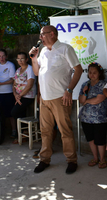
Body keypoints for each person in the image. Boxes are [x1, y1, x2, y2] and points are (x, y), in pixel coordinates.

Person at [29, 25, 82, 174]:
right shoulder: (43, 51)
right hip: (45, 99)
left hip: (60, 98)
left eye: (42, 34)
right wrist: (34, 59)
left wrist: (69, 90)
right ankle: (44, 159)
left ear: (52, 34)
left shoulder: (66, 48)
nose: (40, 38)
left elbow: (78, 69)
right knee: (45, 131)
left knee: (65, 130)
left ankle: (72, 160)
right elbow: (37, 72)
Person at [79, 62, 107, 169]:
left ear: (99, 73)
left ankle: (102, 159)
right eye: (90, 72)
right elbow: (81, 100)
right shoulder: (85, 84)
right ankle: (95, 158)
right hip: (86, 118)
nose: (92, 74)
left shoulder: (104, 84)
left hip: (99, 118)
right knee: (90, 139)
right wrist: (85, 93)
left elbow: (99, 99)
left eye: (94, 72)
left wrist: (87, 101)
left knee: (100, 140)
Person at [11, 52, 37, 144]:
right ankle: (23, 134)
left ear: (26, 59)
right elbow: (14, 84)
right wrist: (15, 95)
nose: (20, 61)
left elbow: (29, 85)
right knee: (20, 113)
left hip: (27, 96)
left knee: (14, 112)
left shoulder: (30, 69)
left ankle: (22, 134)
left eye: (22, 59)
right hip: (18, 96)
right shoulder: (18, 70)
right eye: (18, 59)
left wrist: (20, 96)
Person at [0, 49, 16, 138]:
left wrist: (1, 83)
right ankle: (1, 131)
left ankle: (13, 130)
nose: (1, 58)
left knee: (10, 113)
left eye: (3, 56)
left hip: (8, 92)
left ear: (6, 56)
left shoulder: (10, 65)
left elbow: (13, 79)